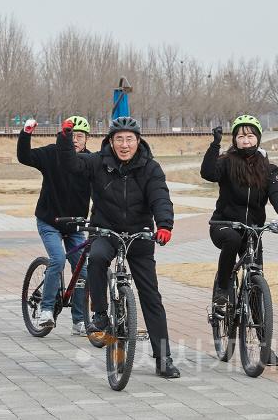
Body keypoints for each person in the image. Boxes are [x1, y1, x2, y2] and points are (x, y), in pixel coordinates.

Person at [58, 116, 180, 378]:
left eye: (130, 139)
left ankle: (163, 358)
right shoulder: (97, 162)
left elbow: (160, 197)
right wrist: (66, 137)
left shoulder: (151, 168)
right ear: (110, 142)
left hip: (140, 236)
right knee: (98, 258)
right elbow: (70, 164)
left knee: (151, 296)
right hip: (106, 230)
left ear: (138, 141)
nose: (125, 145)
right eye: (119, 139)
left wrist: (165, 226)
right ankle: (100, 314)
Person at [200, 115, 278, 364]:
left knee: (256, 290)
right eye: (241, 136)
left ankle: (265, 347)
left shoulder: (268, 168)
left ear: (258, 138)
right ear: (235, 139)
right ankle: (222, 291)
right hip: (223, 225)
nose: (246, 140)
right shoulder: (226, 162)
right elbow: (207, 173)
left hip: (252, 231)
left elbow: (276, 195)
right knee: (231, 241)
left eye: (250, 135)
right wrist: (215, 145)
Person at [17, 115, 92, 335]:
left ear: (87, 139)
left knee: (83, 270)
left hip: (75, 225)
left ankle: (79, 320)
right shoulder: (51, 154)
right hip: (49, 221)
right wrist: (26, 133)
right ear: (63, 137)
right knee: (58, 260)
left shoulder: (91, 161)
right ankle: (46, 310)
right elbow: (24, 156)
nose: (76, 140)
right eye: (71, 136)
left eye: (81, 136)